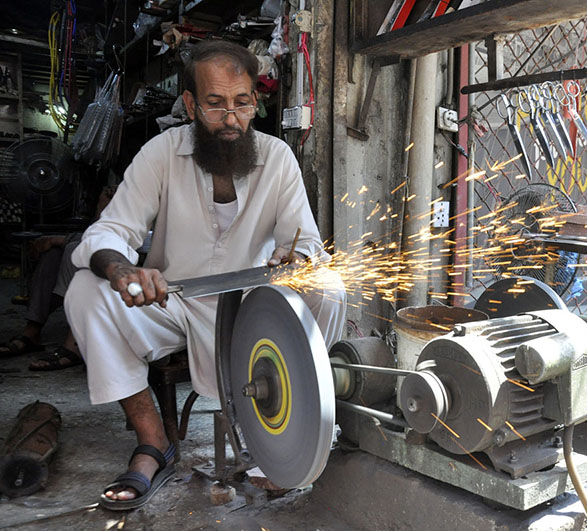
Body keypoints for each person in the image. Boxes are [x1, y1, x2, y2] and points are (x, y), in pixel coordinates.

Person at [64, 40, 346, 510]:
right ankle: (154, 443)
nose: (230, 119)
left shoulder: (277, 159)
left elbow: (307, 244)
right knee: (84, 290)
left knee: (328, 287)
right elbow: (107, 233)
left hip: (251, 308)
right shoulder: (160, 154)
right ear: (191, 104)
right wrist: (122, 269)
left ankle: (289, 428)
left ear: (255, 102)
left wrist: (293, 262)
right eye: (215, 104)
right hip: (170, 301)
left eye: (240, 103)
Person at [0, 186, 116, 370]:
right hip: (100, 243)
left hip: (126, 258)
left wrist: (65, 239)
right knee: (52, 254)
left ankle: (75, 344)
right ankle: (32, 332)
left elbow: (126, 237)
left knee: (75, 250)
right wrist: (104, 206)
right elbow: (99, 229)